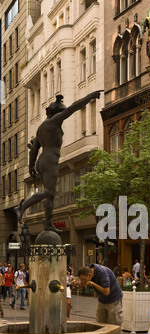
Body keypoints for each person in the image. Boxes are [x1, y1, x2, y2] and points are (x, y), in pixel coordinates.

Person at [13, 91, 102, 232]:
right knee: (48, 191)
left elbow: (34, 149)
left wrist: (31, 166)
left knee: (51, 194)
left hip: (42, 160)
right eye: (61, 112)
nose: (63, 115)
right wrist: (91, 96)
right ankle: (21, 207)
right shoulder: (54, 121)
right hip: (50, 160)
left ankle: (48, 223)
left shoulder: (41, 128)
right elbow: (74, 106)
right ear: (57, 113)